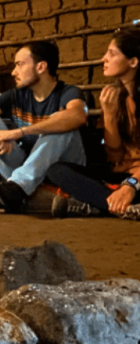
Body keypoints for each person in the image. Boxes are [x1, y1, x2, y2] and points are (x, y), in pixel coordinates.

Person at [0, 41, 87, 213]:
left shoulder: (68, 92)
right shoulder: (17, 95)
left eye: (20, 65)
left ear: (41, 67)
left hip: (63, 166)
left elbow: (77, 116)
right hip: (26, 167)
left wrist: (18, 132)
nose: (14, 72)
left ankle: (18, 188)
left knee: (59, 121)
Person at [47, 27, 140, 219]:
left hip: (137, 179)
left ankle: (98, 205)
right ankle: (125, 208)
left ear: (133, 61)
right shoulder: (116, 98)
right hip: (122, 173)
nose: (103, 59)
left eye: (112, 54)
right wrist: (109, 116)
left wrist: (131, 185)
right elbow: (114, 156)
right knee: (58, 170)